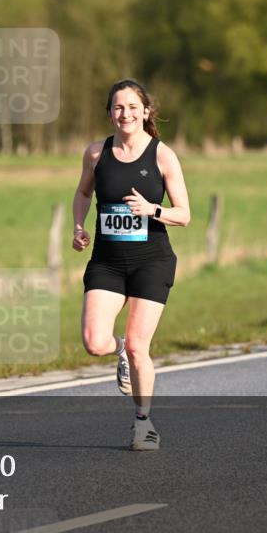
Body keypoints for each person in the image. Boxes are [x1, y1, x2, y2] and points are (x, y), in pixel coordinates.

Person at [71, 78, 190, 451]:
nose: (126, 114)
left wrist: (152, 210)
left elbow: (184, 214)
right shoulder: (96, 153)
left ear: (146, 111)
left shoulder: (162, 155)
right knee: (94, 343)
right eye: (118, 107)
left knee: (141, 347)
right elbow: (83, 192)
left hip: (151, 262)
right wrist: (78, 225)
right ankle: (118, 347)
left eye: (133, 107)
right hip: (107, 262)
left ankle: (143, 424)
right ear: (110, 113)